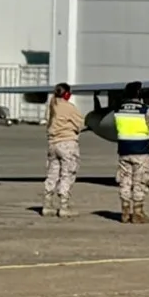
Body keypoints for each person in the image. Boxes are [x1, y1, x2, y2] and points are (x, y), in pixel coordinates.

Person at [111, 82, 149, 223]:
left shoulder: (118, 110)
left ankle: (125, 212)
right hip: (141, 151)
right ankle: (138, 213)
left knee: (125, 181)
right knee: (139, 181)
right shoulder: (146, 110)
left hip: (124, 150)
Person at [42, 83, 84, 218]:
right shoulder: (70, 108)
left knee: (52, 174)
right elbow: (81, 124)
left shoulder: (51, 106)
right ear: (67, 94)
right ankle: (64, 206)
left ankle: (47, 205)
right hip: (67, 145)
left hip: (52, 144)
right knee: (68, 174)